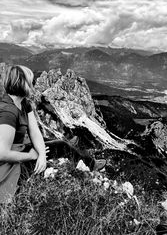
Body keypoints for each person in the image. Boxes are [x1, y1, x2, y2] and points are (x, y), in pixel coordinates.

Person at [0, 65, 106, 203]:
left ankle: (68, 147)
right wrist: (30, 156)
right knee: (61, 146)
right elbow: (2, 153)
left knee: (49, 142)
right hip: (8, 165)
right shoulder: (8, 112)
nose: (33, 85)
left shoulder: (23, 103)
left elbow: (34, 131)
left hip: (20, 146)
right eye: (30, 82)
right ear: (21, 84)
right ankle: (91, 164)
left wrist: (42, 155)